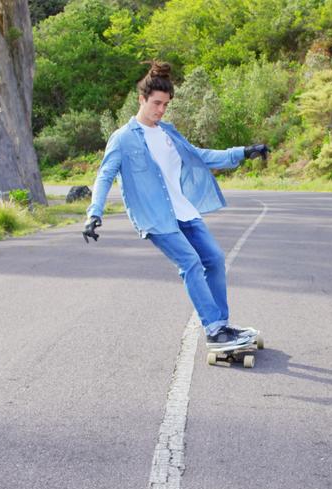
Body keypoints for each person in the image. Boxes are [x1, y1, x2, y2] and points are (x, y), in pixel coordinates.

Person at [82, 61, 269, 350]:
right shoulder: (122, 139)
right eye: (156, 103)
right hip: (156, 218)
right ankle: (214, 329)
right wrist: (94, 212)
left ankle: (222, 324)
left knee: (215, 260)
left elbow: (199, 155)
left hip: (184, 212)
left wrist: (243, 152)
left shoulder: (168, 133)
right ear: (141, 99)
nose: (161, 110)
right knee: (191, 263)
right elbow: (104, 175)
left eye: (166, 105)